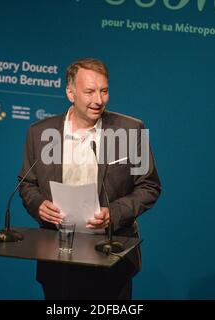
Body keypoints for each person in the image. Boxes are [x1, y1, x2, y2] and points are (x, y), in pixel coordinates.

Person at [18, 58, 161, 299]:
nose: (98, 100)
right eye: (89, 92)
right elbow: (27, 184)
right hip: (58, 255)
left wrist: (113, 213)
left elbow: (149, 186)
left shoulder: (130, 130)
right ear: (70, 93)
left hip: (111, 253)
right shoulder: (40, 133)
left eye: (104, 91)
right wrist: (38, 205)